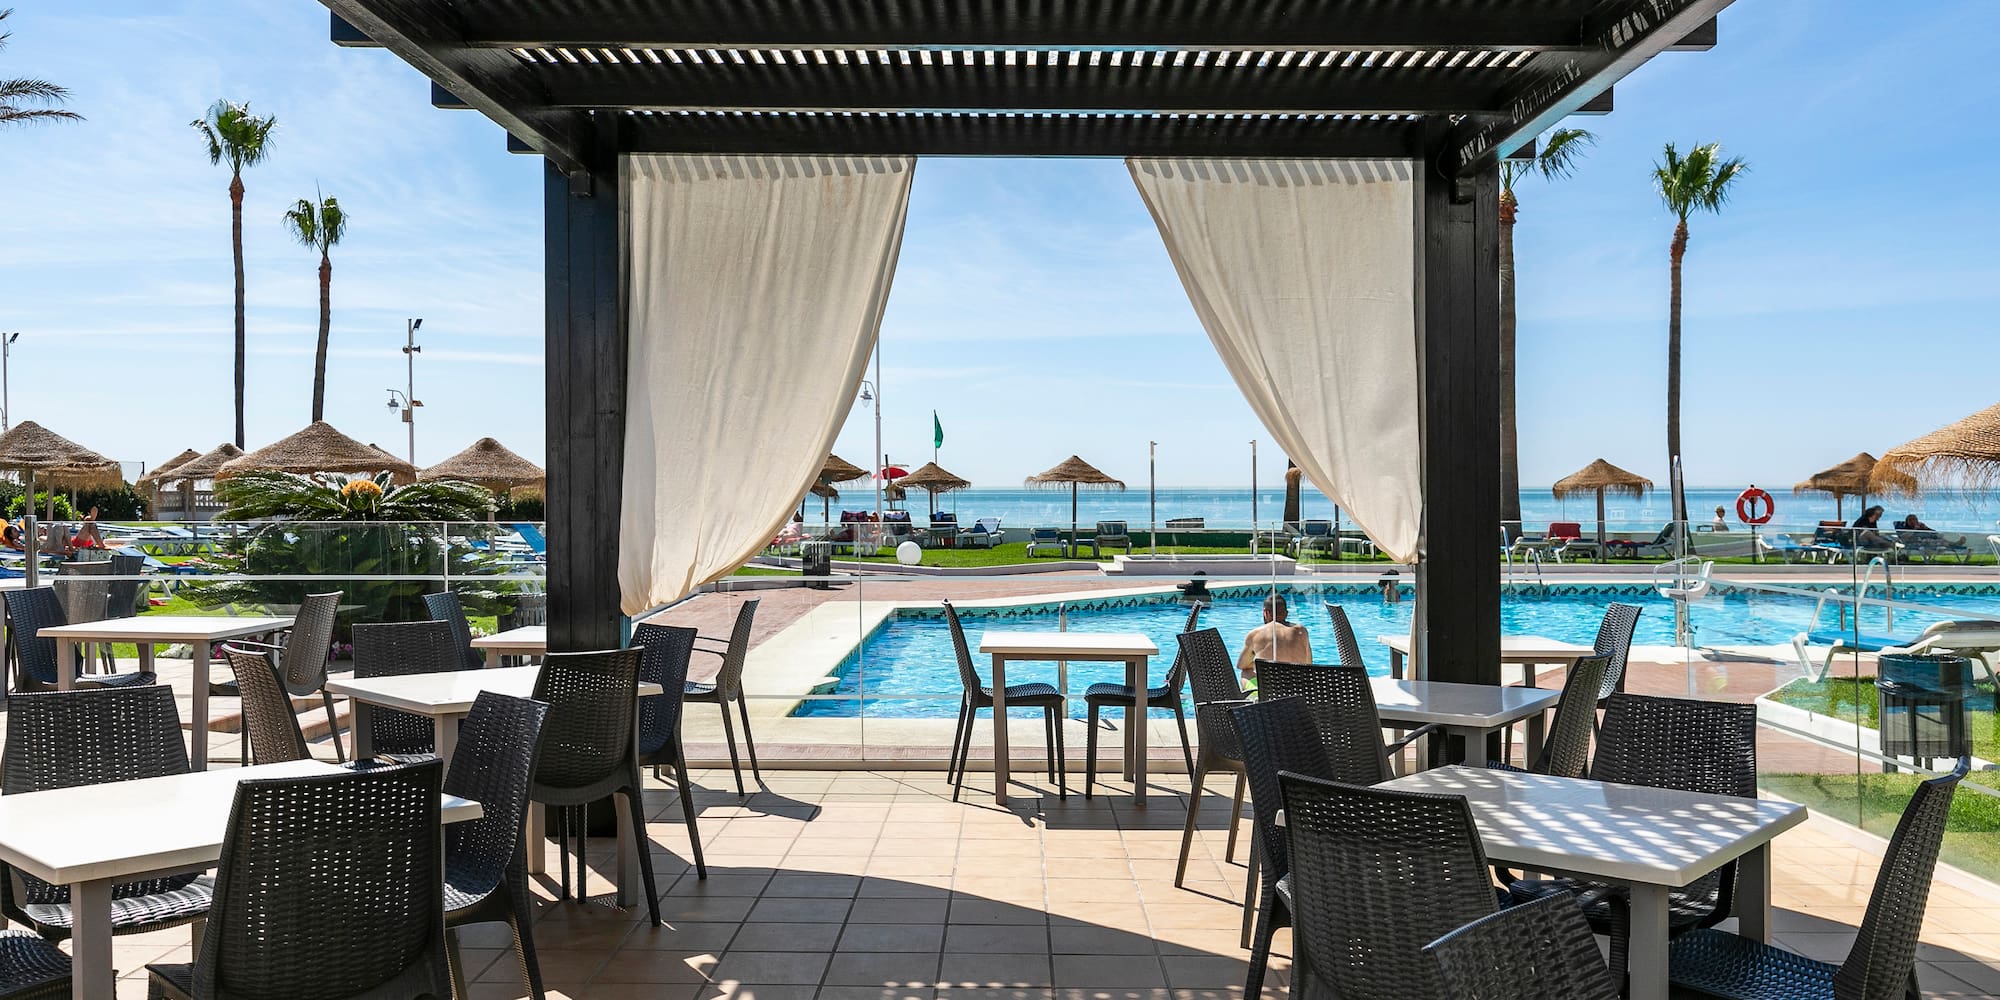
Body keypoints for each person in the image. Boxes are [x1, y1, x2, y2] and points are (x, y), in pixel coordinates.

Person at [1236, 594, 1311, 693]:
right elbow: (1308, 663)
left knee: (1245, 673)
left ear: (1266, 613)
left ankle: (1253, 702)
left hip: (1269, 692)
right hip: (1297, 690)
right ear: (1286, 613)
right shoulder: (1302, 631)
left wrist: (1258, 663)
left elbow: (1241, 665)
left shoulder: (1255, 634)